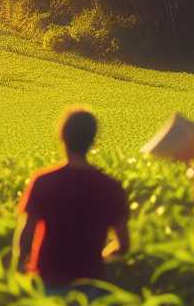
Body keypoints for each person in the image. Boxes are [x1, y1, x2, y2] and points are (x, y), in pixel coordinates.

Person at [15, 108, 130, 293]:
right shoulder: (110, 187)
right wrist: (100, 256)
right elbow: (124, 245)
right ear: (93, 141)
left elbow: (27, 233)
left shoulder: (44, 181)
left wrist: (19, 266)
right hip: (91, 281)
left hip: (48, 279)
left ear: (62, 138)